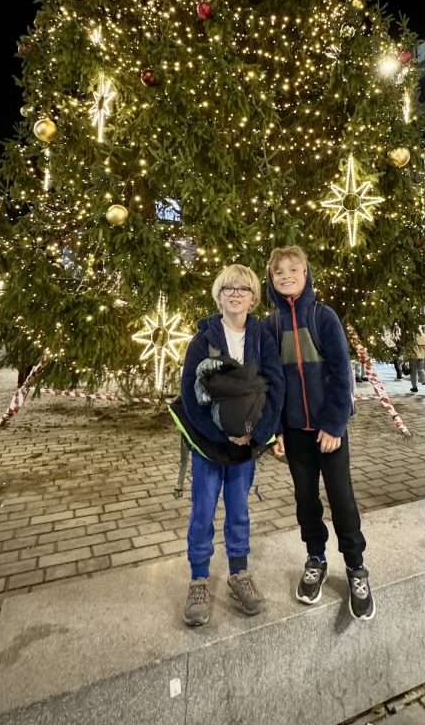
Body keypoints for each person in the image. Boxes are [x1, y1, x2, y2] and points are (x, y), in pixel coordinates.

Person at [262, 245, 375, 622]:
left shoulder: (323, 317)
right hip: (295, 434)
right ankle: (315, 558)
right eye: (279, 272)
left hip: (330, 433)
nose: (286, 276)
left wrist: (333, 424)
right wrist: (276, 429)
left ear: (306, 274)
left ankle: (356, 567)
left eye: (293, 269)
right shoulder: (271, 325)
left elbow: (342, 375)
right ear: (272, 280)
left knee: (342, 501)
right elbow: (273, 383)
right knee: (306, 501)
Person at [174, 264, 285, 628]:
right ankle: (199, 579)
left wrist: (257, 432)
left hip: (246, 444)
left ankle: (239, 572)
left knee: (238, 510)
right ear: (218, 295)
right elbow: (190, 393)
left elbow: (276, 384)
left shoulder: (261, 337)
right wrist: (219, 435)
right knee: (203, 509)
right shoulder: (202, 338)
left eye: (243, 289)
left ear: (253, 297)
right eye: (228, 288)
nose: (235, 294)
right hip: (209, 444)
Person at [408, 328, 425, 395]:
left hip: (413, 352)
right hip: (422, 351)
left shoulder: (412, 330)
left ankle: (414, 387)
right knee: (421, 369)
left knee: (413, 371)